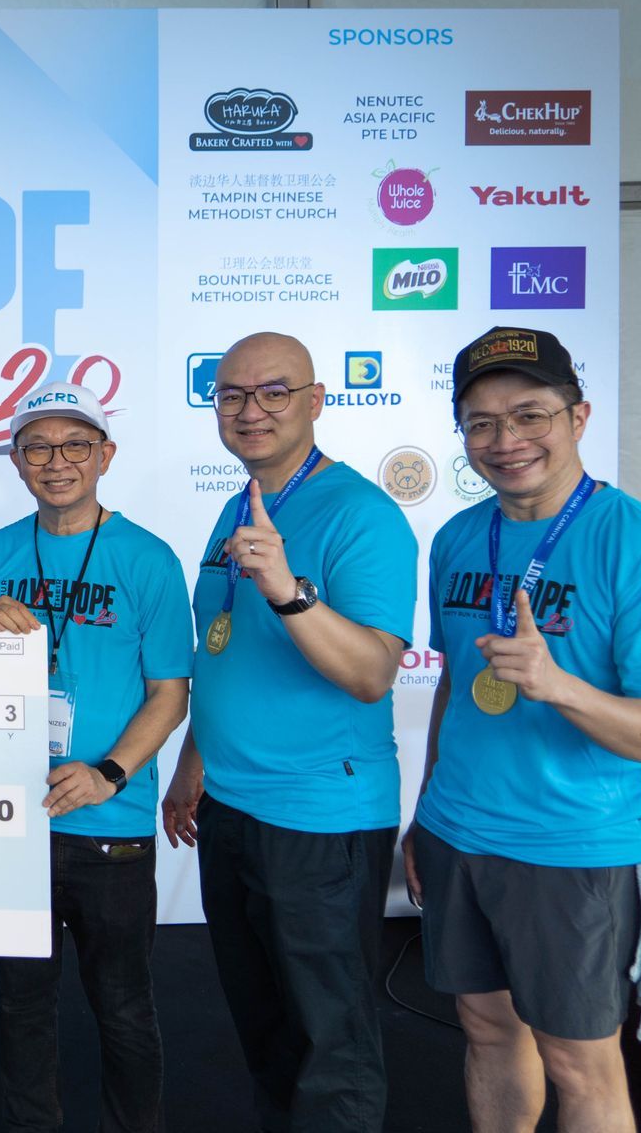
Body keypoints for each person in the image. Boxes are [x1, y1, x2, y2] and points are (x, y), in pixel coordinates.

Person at [404, 325, 641, 1132]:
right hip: (457, 831)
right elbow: (456, 682)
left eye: (529, 415)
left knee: (581, 1064)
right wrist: (425, 811)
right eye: (480, 422)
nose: (505, 439)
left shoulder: (634, 541)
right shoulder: (458, 536)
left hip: (574, 846)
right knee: (486, 1030)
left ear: (578, 417)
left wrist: (560, 688)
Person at [161, 331, 416, 1132]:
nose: (251, 410)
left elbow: (372, 673)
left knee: (329, 1051)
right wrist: (193, 761)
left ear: (315, 402)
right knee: (268, 1035)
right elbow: (223, 648)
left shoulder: (362, 515)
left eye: (274, 392)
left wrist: (288, 590)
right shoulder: (239, 505)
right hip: (231, 807)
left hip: (319, 818)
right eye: (232, 394)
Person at [0, 383, 192, 1133]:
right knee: (20, 1005)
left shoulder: (148, 559)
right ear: (16, 461)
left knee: (123, 1007)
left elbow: (170, 693)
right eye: (37, 448)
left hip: (109, 824)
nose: (56, 462)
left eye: (75, 445)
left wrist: (109, 774)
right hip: (14, 819)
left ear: (105, 456)